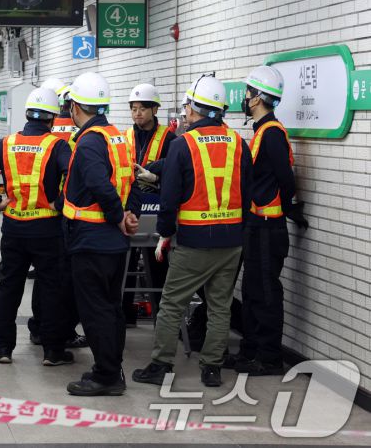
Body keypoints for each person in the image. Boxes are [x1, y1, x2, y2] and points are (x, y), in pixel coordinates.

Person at [132, 74, 253, 387]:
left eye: (187, 105)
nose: (184, 110)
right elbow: (247, 192)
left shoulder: (183, 144)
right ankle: (212, 368)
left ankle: (160, 364)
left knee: (172, 304)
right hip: (231, 240)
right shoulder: (238, 143)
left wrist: (164, 234)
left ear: (194, 108)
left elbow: (170, 198)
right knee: (219, 307)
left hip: (193, 242)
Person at [0, 87, 74, 366]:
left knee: (9, 288)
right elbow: (74, 174)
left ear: (27, 114)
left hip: (14, 228)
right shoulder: (57, 145)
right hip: (47, 229)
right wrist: (60, 203)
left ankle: (3, 348)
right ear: (52, 118)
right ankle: (52, 351)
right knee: (50, 289)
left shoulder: (7, 143)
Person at [60, 72, 141, 396]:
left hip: (92, 239)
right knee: (110, 308)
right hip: (112, 242)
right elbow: (131, 180)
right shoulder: (115, 136)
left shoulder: (89, 142)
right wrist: (129, 213)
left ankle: (106, 376)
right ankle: (112, 369)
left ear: (76, 107)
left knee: (96, 311)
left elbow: (98, 184)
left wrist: (119, 216)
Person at [227, 65, 308, 376]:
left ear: (258, 98)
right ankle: (250, 351)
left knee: (265, 293)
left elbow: (285, 179)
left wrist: (287, 208)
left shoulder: (271, 133)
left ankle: (269, 357)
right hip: (255, 224)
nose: (244, 98)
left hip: (267, 227)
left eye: (248, 92)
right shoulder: (262, 131)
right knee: (251, 292)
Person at [26, 77, 86, 349]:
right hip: (69, 210)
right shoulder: (78, 130)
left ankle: (39, 327)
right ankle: (61, 332)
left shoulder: (47, 131)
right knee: (63, 278)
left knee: (45, 275)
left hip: (43, 211)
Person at [122, 83, 177, 327]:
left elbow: (175, 168)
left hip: (157, 206)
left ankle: (161, 318)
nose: (137, 113)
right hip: (131, 206)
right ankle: (125, 315)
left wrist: (155, 175)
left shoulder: (170, 138)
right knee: (125, 262)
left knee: (158, 263)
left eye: (142, 108)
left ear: (155, 109)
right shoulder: (124, 137)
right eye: (133, 109)